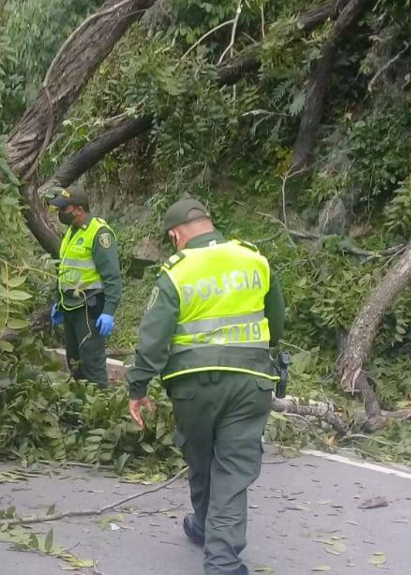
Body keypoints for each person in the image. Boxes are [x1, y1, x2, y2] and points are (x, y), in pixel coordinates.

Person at [127, 198, 285, 575]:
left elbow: (154, 339)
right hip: (251, 382)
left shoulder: (177, 271)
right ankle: (220, 554)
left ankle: (209, 537)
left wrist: (138, 387)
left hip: (192, 387)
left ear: (174, 235)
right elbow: (277, 320)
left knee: (200, 457)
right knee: (233, 468)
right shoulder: (254, 259)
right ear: (210, 223)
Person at [48, 185, 121, 388]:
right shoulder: (72, 232)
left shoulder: (99, 233)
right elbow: (66, 270)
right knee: (74, 363)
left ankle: (100, 405)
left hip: (89, 308)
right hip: (70, 306)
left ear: (79, 209)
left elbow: (112, 277)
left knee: (92, 364)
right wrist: (59, 301)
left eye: (64, 209)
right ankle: (79, 405)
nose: (60, 213)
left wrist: (109, 311)